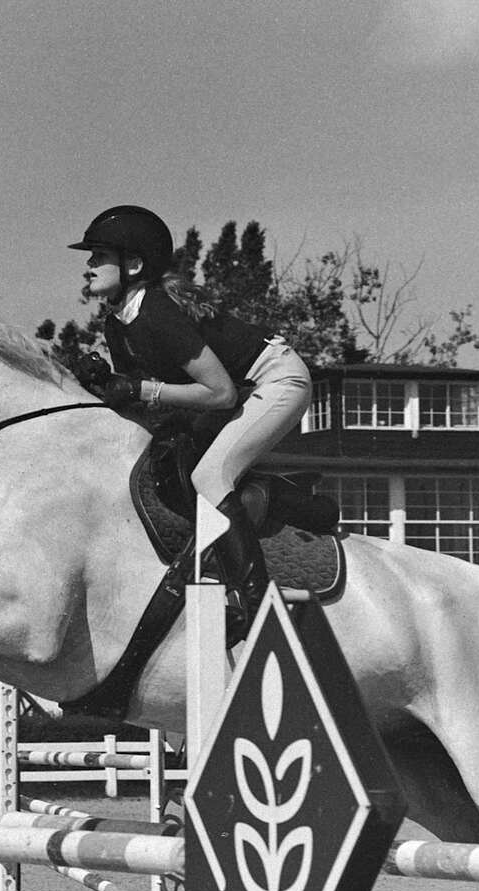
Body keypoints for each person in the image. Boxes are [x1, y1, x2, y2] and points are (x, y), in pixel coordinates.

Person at [68, 205, 311, 640]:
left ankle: (259, 607)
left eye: (98, 255)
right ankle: (283, 499)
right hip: (236, 395)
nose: (88, 265)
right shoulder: (117, 324)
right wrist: (104, 387)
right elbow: (145, 407)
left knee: (210, 476)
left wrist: (139, 388)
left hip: (276, 380)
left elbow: (220, 393)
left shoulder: (157, 311)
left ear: (133, 265)